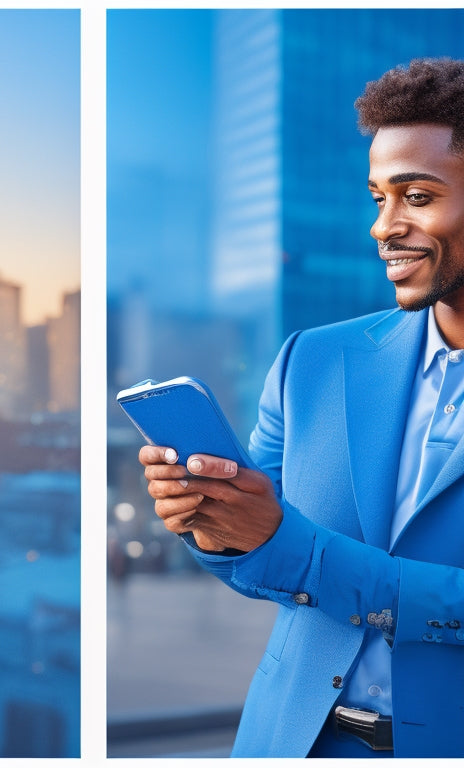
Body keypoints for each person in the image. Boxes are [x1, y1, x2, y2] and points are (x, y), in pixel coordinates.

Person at [139, 57, 464, 758]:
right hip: (288, 740)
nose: (384, 226)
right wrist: (212, 519)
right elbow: (260, 562)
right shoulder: (312, 360)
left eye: (415, 196)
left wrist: (291, 545)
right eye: (377, 197)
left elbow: (297, 552)